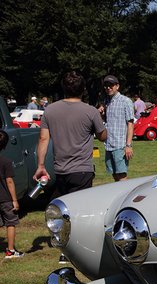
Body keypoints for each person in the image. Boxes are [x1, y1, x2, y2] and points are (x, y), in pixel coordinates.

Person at [35, 71, 107, 264]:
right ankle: (71, 251)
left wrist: (40, 165)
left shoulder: (50, 110)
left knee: (62, 210)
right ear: (83, 90)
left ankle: (63, 244)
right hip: (82, 169)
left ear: (64, 88)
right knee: (79, 213)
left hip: (61, 169)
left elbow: (43, 138)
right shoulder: (90, 111)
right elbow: (103, 136)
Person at [103, 75, 134, 181]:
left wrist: (128, 145)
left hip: (120, 145)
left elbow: (130, 124)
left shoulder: (126, 101)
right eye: (106, 85)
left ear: (117, 86)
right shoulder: (106, 102)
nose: (108, 88)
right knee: (114, 175)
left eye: (111, 85)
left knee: (122, 176)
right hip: (108, 145)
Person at [0, 130, 23, 259]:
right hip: (5, 198)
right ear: (4, 145)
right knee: (10, 223)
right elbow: (9, 181)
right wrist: (15, 200)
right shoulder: (6, 162)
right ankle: (10, 250)